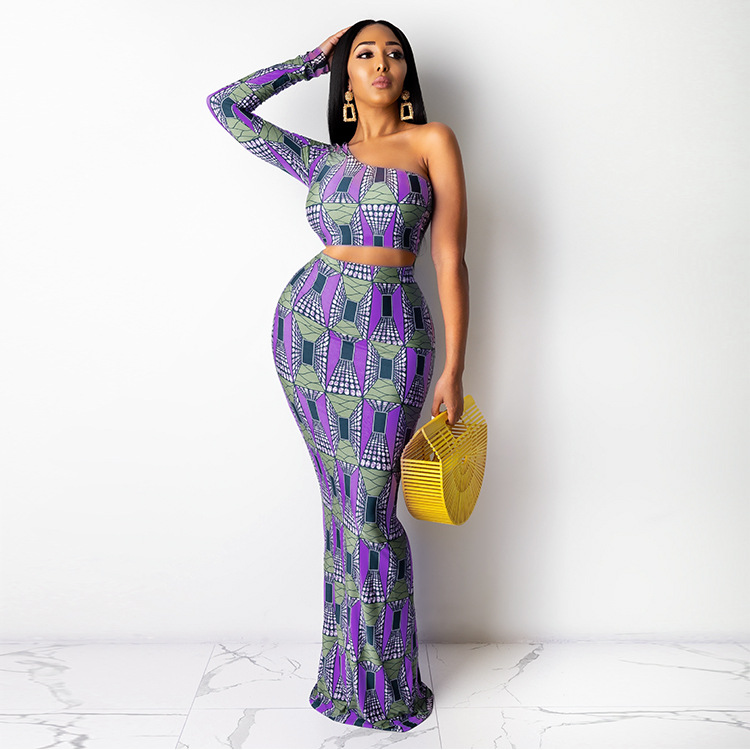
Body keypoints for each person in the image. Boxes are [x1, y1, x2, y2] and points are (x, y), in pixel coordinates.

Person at [206, 19, 469, 733]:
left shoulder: (432, 141)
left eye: (394, 53)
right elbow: (225, 107)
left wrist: (454, 366)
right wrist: (306, 60)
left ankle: (387, 688)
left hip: (392, 335)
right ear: (345, 75)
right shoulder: (321, 160)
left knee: (371, 510)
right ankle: (345, 677)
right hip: (311, 334)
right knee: (342, 506)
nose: (381, 62)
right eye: (364, 53)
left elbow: (449, 259)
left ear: (406, 73)